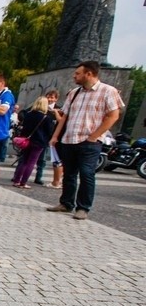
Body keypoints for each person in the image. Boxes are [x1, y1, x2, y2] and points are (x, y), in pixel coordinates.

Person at [47, 60, 123, 220]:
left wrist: (95, 136)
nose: (74, 76)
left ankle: (83, 208)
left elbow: (114, 115)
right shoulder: (75, 93)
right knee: (69, 174)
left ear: (89, 74)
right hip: (69, 139)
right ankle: (66, 203)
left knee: (87, 173)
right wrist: (55, 136)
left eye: (78, 73)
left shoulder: (108, 91)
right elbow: (65, 116)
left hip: (90, 141)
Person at [12, 97, 55, 189]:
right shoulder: (46, 117)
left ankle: (16, 181)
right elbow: (49, 131)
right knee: (31, 162)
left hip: (26, 141)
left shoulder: (28, 114)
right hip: (39, 142)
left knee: (24, 161)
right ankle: (23, 182)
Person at [34, 89, 64, 187]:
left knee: (42, 159)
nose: (50, 99)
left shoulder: (59, 109)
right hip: (37, 135)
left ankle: (38, 177)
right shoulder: (40, 105)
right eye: (48, 97)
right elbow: (24, 113)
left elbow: (60, 122)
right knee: (26, 157)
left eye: (52, 97)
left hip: (49, 137)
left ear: (56, 99)